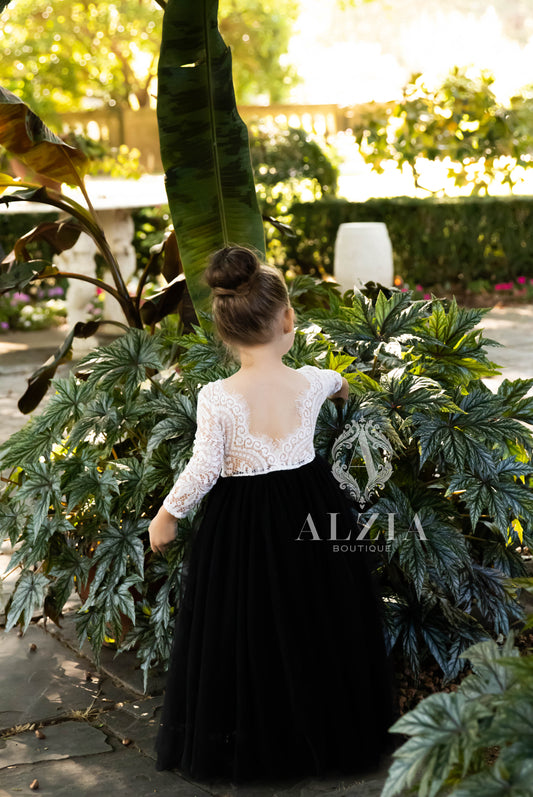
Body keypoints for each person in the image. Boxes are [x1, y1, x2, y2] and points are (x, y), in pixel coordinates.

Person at [149, 245, 396, 784]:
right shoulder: (311, 380)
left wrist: (167, 515)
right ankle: (326, 729)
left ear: (224, 329)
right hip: (310, 507)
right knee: (317, 617)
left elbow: (204, 467)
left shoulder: (217, 395)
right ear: (288, 318)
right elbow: (336, 382)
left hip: (241, 524)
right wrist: (342, 388)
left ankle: (255, 736)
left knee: (249, 624)